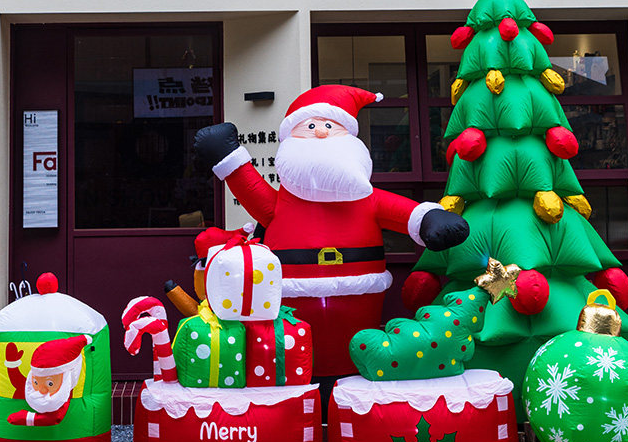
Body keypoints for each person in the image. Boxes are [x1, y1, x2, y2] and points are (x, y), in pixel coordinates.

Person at [195, 84, 469, 407]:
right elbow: (252, 190)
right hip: (294, 306)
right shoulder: (282, 203)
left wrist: (429, 219)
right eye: (310, 127)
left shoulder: (366, 198)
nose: (321, 134)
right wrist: (229, 158)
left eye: (329, 126)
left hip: (359, 305)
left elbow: (403, 212)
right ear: (292, 137)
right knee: (300, 357)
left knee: (355, 355)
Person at [5, 334, 90, 427]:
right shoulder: (33, 384)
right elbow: (19, 382)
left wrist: (27, 418)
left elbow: (55, 418)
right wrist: (12, 365)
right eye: (36, 382)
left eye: (50, 383)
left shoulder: (64, 392)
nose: (42, 391)